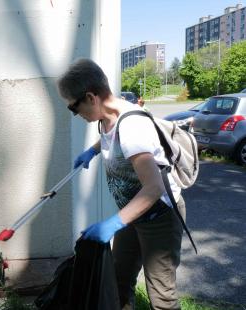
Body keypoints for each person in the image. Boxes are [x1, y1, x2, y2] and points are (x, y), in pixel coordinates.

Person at [57, 59, 185, 310]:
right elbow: (113, 137)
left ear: (91, 97)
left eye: (73, 107)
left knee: (161, 295)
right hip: (135, 214)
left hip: (159, 215)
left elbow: (154, 187)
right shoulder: (107, 117)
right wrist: (93, 151)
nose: (75, 114)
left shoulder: (133, 127)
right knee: (119, 280)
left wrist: (113, 224)